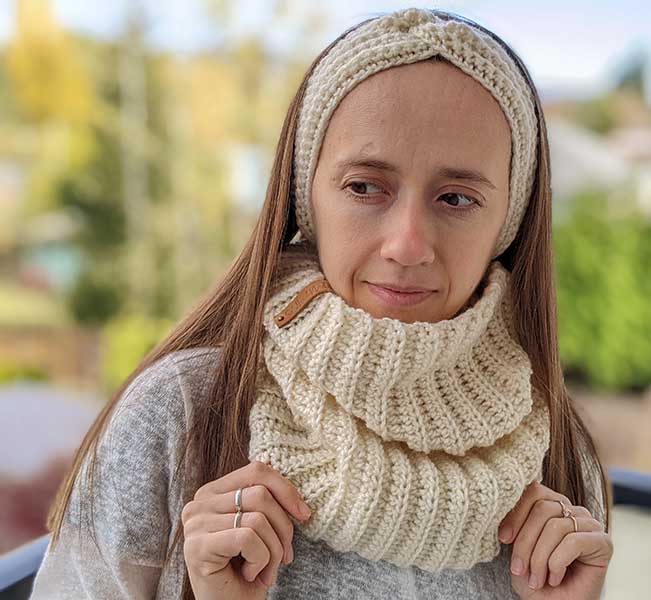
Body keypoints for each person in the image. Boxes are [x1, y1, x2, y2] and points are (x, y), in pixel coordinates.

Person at [30, 7, 614, 600]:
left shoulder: (560, 454)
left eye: (457, 198)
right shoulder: (179, 415)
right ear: (307, 196)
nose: (408, 244)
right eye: (365, 187)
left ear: (507, 223)